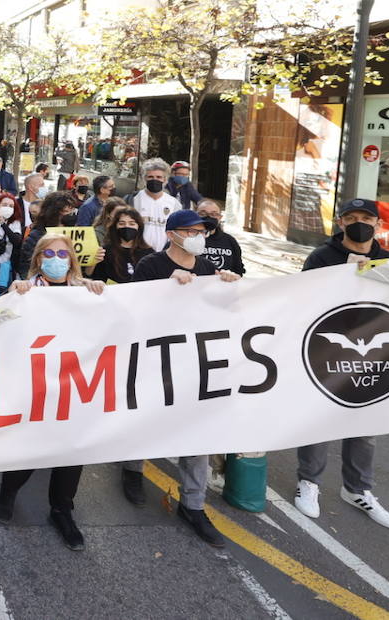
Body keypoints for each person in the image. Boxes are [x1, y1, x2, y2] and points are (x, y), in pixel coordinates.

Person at [295, 198, 389, 530]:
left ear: (378, 225)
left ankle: (358, 489)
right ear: (340, 222)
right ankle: (309, 483)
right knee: (320, 418)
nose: (359, 223)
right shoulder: (322, 257)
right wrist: (344, 273)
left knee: (365, 422)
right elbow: (303, 299)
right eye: (352, 217)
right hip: (327, 350)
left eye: (366, 218)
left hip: (373, 356)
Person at [127, 209, 241, 546]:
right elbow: (134, 310)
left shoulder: (207, 269)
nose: (198, 236)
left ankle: (193, 504)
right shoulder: (151, 266)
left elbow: (223, 314)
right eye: (191, 230)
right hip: (155, 359)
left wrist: (230, 287)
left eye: (203, 231)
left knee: (197, 432)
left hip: (195, 363)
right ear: (173, 233)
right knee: (145, 420)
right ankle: (132, 471)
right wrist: (167, 287)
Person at [0, 232, 105, 550]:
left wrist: (99, 294)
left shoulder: (85, 292)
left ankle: (62, 509)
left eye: (62, 254)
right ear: (38, 259)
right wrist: (15, 292)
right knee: (29, 447)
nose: (56, 260)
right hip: (37, 384)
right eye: (49, 254)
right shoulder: (24, 292)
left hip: (76, 385)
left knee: (72, 451)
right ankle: (8, 490)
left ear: (72, 259)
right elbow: (0, 329)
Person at [128, 158, 179, 251]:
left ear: (165, 179)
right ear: (144, 179)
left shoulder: (174, 203)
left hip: (163, 255)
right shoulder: (133, 200)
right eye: (150, 177)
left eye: (159, 177)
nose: (154, 180)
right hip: (136, 252)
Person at [90, 207, 150, 284]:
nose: (127, 226)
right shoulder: (105, 252)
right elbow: (95, 277)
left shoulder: (149, 253)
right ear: (115, 226)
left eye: (132, 223)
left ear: (139, 226)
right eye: (122, 223)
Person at [196, 199, 244, 275]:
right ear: (195, 215)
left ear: (220, 217)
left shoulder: (230, 241)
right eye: (203, 213)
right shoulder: (186, 238)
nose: (208, 217)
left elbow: (238, 270)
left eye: (214, 214)